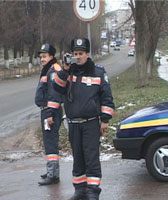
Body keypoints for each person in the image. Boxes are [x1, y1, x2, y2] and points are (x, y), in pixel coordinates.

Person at [53, 38, 115, 200]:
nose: (78, 57)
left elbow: (107, 98)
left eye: (81, 53)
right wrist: (65, 69)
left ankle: (93, 192)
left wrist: (105, 119)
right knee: (78, 158)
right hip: (74, 124)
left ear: (88, 54)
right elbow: (57, 88)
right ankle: (80, 190)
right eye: (75, 54)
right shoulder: (69, 72)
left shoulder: (98, 72)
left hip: (91, 123)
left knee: (91, 157)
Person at [35, 44, 63, 185]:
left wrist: (50, 113)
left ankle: (53, 175)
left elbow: (54, 93)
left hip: (51, 111)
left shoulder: (53, 70)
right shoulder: (49, 69)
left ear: (51, 56)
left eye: (44, 56)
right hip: (48, 110)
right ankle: (52, 172)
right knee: (49, 142)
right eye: (41, 57)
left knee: (51, 142)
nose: (42, 59)